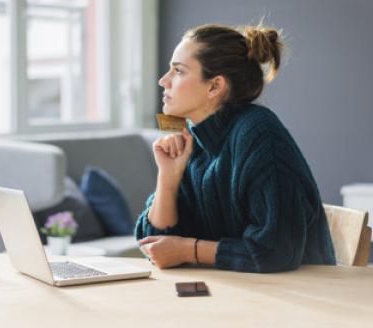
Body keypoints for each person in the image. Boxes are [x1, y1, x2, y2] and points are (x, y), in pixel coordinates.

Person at [135, 23, 336, 273]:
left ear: (214, 87)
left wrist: (189, 249)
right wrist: (168, 177)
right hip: (234, 294)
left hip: (299, 297)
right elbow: (155, 244)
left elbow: (276, 250)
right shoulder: (192, 143)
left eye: (178, 71)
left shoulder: (259, 134)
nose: (163, 81)